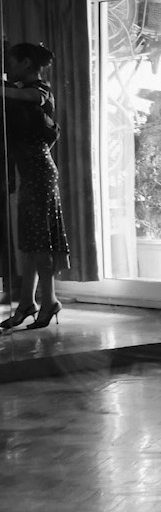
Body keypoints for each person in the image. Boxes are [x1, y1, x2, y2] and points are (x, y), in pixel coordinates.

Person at [0, 43, 69, 332]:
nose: (9, 67)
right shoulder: (17, 88)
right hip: (30, 172)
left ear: (26, 63)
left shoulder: (40, 89)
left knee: (39, 240)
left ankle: (48, 300)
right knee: (29, 240)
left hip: (39, 171)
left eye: (13, 62)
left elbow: (29, 96)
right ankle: (27, 303)